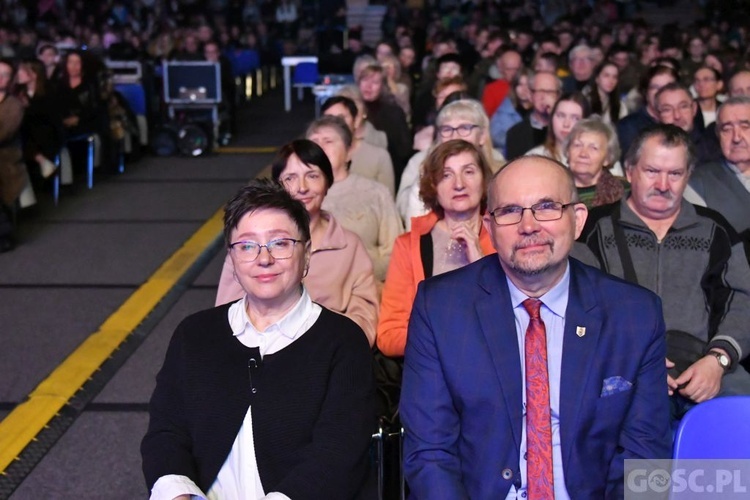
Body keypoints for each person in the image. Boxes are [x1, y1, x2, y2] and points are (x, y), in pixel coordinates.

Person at [400, 154, 671, 498]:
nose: (529, 226)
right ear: (489, 229)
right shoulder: (440, 308)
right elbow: (430, 452)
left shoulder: (634, 315)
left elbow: (646, 458)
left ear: (578, 220)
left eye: (546, 207)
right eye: (510, 211)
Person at [142, 179, 377, 499]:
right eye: (248, 245)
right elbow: (166, 433)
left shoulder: (342, 342)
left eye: (280, 243)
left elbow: (337, 456)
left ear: (307, 254)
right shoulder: (195, 335)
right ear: (232, 260)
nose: (263, 258)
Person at [579, 124, 750, 417]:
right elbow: (577, 304)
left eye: (675, 174)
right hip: (617, 363)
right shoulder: (594, 228)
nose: (663, 184)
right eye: (652, 171)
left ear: (688, 176)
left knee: (737, 425)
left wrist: (718, 360)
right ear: (630, 171)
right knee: (628, 439)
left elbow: (742, 299)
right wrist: (634, 362)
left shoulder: (715, 229)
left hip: (702, 363)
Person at [215, 139, 379, 346]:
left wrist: (335, 348)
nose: (302, 188)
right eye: (290, 178)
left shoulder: (349, 244)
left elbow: (364, 313)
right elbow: (227, 310)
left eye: (312, 176)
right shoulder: (248, 246)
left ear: (328, 182)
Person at [378, 140, 495, 357]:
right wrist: (445, 343)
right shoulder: (408, 245)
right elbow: (389, 334)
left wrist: (479, 260)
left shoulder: (504, 236)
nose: (459, 184)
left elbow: (512, 321)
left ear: (485, 180)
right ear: (434, 186)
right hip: (430, 369)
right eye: (446, 175)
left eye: (468, 172)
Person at [306, 115, 403, 282]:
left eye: (328, 141)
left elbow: (395, 251)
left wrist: (357, 274)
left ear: (349, 151)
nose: (319, 148)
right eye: (314, 141)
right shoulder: (299, 195)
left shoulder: (375, 192)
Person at [397, 99, 505, 229]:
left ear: (482, 135)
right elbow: (413, 227)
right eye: (447, 129)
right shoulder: (419, 168)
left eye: (464, 128)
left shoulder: (503, 172)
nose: (455, 136)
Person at [688, 96, 750, 240]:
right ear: (717, 135)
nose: (736, 137)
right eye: (726, 129)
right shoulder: (698, 183)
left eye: (745, 127)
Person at [321, 96, 395, 196]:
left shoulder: (378, 156)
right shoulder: (316, 156)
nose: (336, 125)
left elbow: (387, 201)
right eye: (329, 119)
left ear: (355, 121)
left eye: (341, 118)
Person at [357, 63, 412, 185]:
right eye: (365, 80)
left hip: (386, 172)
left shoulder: (393, 112)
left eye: (375, 82)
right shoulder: (351, 110)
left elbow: (404, 150)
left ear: (382, 86)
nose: (369, 86)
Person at [616, 64, 679, 161]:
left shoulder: (683, 120)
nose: (661, 92)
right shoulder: (628, 126)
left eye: (668, 87)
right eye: (655, 87)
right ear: (645, 92)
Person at [565, 116, 628, 207]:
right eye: (577, 145)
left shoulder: (624, 191)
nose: (583, 154)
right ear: (567, 151)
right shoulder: (553, 187)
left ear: (607, 158)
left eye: (593, 148)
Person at [654, 82, 722, 166]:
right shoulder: (650, 151)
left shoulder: (712, 148)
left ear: (694, 109)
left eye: (683, 107)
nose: (677, 116)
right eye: (667, 110)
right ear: (657, 115)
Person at [0, 57, 27, 252]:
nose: (0, 78)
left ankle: (3, 233)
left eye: (5, 75)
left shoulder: (13, 106)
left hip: (5, 158)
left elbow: (3, 133)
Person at [505, 71, 561, 160]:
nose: (544, 97)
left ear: (558, 96)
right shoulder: (515, 133)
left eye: (550, 92)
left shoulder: (566, 129)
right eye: (540, 91)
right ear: (531, 95)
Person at [525, 92, 590, 164]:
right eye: (561, 116)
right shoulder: (535, 158)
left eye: (575, 118)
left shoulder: (591, 160)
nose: (566, 124)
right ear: (552, 119)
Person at [489, 67, 533, 156]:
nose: (524, 89)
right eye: (520, 85)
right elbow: (495, 136)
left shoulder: (539, 112)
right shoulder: (504, 110)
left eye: (527, 85)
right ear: (514, 87)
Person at [586, 61, 628, 125]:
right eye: (606, 76)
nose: (611, 81)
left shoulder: (621, 106)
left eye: (615, 77)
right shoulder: (586, 101)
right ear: (597, 78)